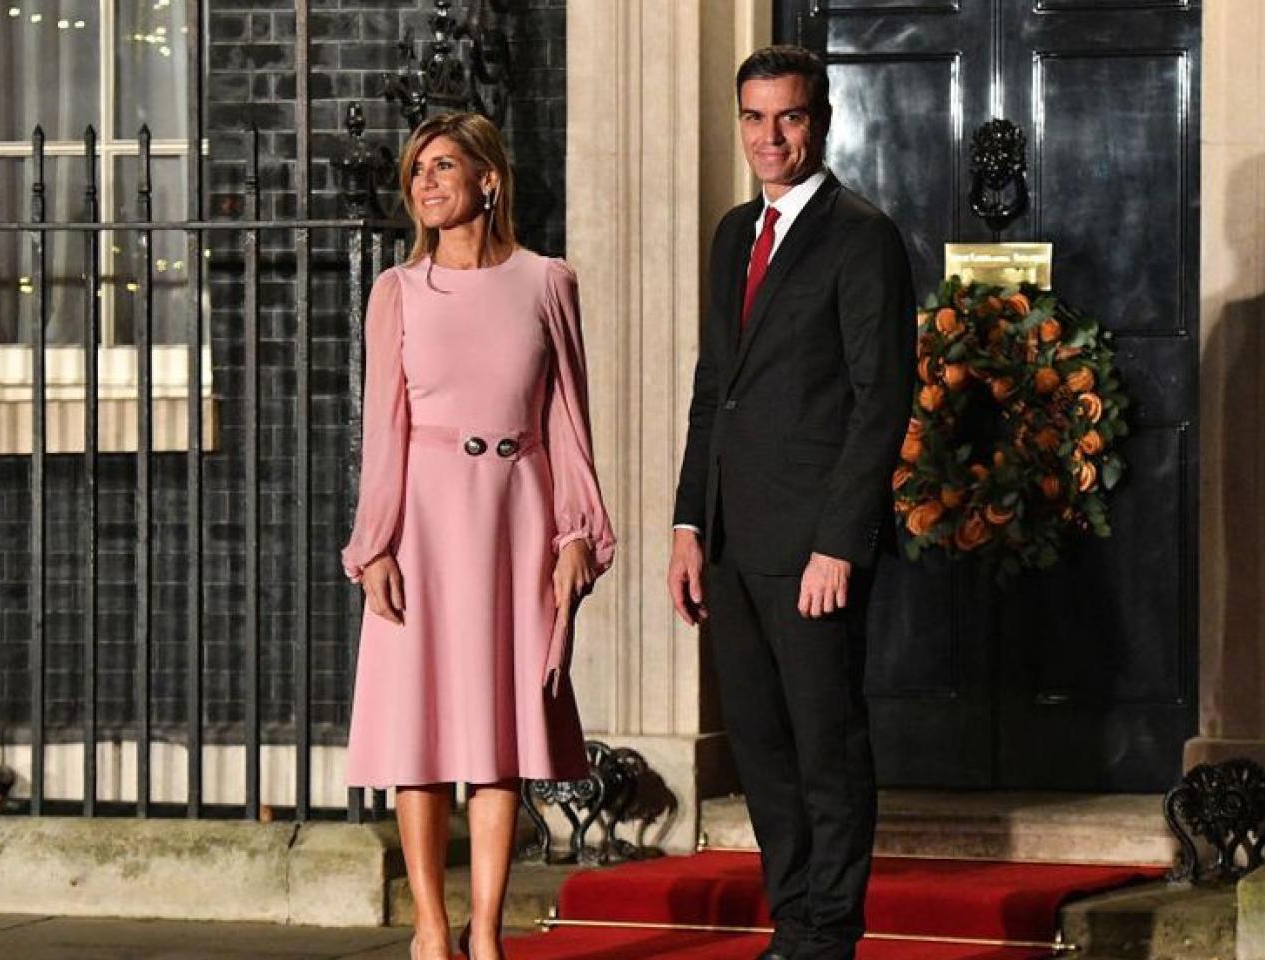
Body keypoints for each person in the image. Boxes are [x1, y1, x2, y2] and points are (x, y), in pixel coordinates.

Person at [341, 111, 615, 960]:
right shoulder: (397, 291)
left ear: (488, 180)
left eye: (443, 165)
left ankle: (486, 933)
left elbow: (569, 418)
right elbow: (382, 429)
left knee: (500, 733)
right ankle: (431, 932)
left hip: (516, 515)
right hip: (422, 518)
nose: (424, 182)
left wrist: (578, 529)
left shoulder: (546, 282)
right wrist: (374, 544)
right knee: (419, 733)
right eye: (416, 168)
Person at [667, 45, 915, 960]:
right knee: (763, 751)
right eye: (754, 118)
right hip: (732, 542)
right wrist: (690, 524)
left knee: (826, 747)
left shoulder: (862, 235)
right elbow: (713, 391)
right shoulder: (735, 233)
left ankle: (829, 934)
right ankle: (794, 920)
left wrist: (839, 543)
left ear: (822, 121)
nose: (769, 137)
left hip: (815, 547)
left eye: (790, 117)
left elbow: (880, 400)